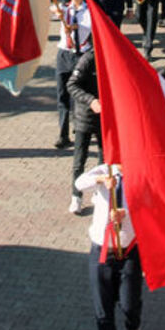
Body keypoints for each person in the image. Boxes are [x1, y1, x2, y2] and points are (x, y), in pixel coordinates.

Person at [74, 163, 141, 330]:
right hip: (101, 251)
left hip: (128, 251)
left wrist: (126, 214)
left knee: (129, 303)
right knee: (102, 308)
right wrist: (100, 180)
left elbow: (151, 204)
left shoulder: (140, 174)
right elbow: (79, 183)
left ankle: (133, 325)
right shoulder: (104, 170)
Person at [53, 0, 92, 149]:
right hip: (64, 54)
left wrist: (73, 27)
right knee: (62, 96)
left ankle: (79, 129)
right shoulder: (64, 10)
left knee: (78, 94)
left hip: (80, 55)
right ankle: (63, 134)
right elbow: (47, 9)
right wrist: (56, 12)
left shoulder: (89, 12)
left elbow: (87, 27)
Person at [67, 50, 100, 214]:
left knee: (105, 159)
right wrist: (91, 100)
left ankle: (99, 193)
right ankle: (76, 196)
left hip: (105, 119)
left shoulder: (112, 57)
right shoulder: (87, 59)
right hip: (84, 117)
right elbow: (71, 85)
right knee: (79, 160)